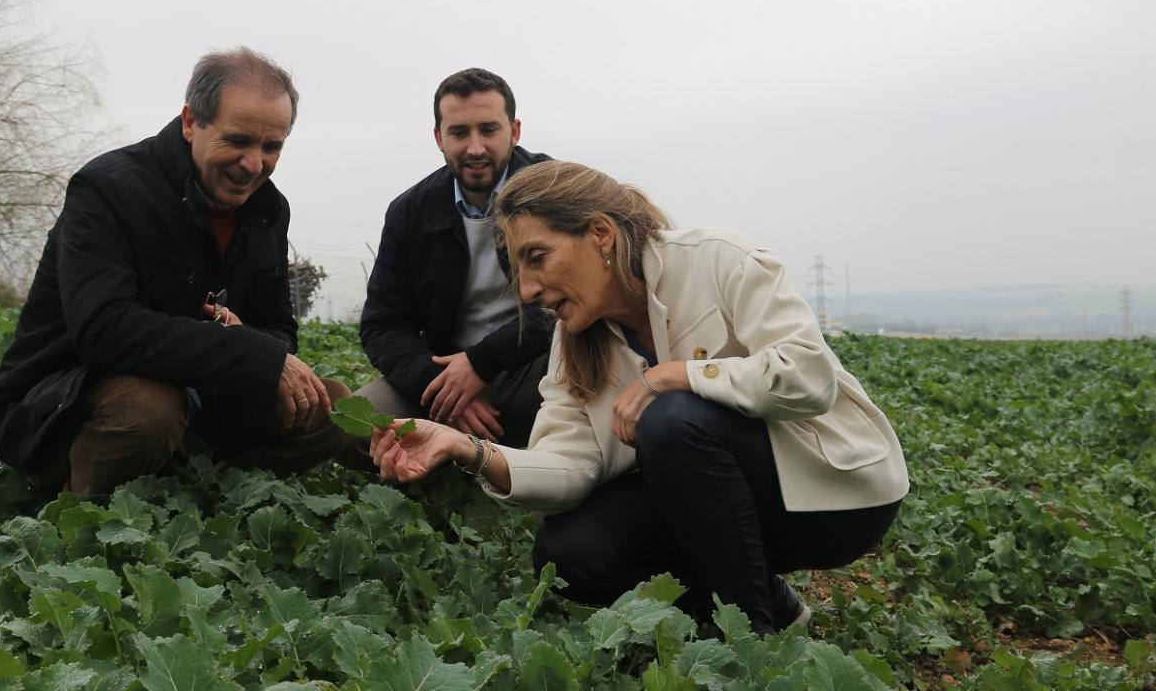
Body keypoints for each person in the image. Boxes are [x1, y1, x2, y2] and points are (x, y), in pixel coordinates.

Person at [369, 161, 909, 634]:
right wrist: (467, 448)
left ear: (600, 233)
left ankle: (751, 645)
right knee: (572, 554)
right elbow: (570, 464)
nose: (527, 290)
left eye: (537, 257)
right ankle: (770, 602)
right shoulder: (575, 341)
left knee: (673, 420)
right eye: (518, 269)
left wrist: (674, 376)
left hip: (834, 494)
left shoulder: (717, 260)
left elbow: (808, 376)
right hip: (715, 502)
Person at [0, 47, 350, 496]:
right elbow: (103, 330)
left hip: (200, 395)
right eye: (238, 141)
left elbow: (278, 329)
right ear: (191, 121)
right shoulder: (108, 189)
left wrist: (253, 341)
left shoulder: (267, 209)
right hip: (68, 397)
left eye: (271, 146)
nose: (255, 165)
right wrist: (244, 350)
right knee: (149, 407)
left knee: (331, 402)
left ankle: (204, 484)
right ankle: (77, 509)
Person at [357, 68, 555, 447]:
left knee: (581, 381)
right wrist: (439, 385)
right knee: (362, 421)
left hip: (534, 366)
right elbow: (383, 325)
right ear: (439, 138)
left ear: (514, 132)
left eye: (489, 130)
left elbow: (568, 304)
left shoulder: (552, 191)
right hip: (447, 373)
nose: (475, 148)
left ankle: (498, 454)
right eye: (459, 132)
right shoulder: (410, 211)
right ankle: (467, 451)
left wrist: (482, 362)